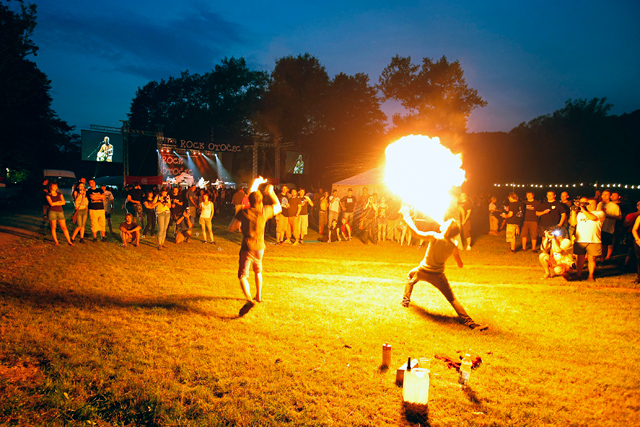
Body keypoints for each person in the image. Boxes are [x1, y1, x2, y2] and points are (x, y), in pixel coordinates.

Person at [400, 208, 487, 331]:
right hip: (438, 275)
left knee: (411, 277)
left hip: (423, 271)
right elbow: (459, 262)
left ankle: (405, 300)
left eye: (446, 223)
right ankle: (470, 323)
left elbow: (416, 233)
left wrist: (407, 218)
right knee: (452, 299)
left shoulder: (434, 236)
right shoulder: (453, 244)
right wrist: (459, 262)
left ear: (445, 228)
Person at [229, 181, 282, 309]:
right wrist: (271, 193)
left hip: (247, 246)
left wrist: (240, 224)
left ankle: (249, 299)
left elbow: (231, 227)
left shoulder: (244, 212)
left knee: (242, 275)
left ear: (249, 200)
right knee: (258, 271)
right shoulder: (264, 211)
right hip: (260, 247)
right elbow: (279, 207)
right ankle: (258, 296)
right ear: (261, 201)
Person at [570, 197, 605, 282]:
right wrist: (574, 212)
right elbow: (573, 223)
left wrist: (583, 209)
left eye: (592, 203)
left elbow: (593, 218)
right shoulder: (580, 214)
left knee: (591, 258)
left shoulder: (600, 213)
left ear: (596, 204)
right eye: (587, 204)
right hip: (580, 239)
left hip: (593, 240)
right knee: (579, 259)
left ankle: (591, 275)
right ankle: (579, 274)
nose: (589, 205)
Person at [597, 189, 622, 262]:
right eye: (603, 194)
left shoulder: (614, 206)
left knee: (605, 244)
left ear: (610, 196)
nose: (604, 196)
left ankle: (602, 259)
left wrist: (607, 216)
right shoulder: (599, 204)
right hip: (598, 227)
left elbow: (619, 217)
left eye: (606, 195)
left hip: (608, 228)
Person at [631, 214, 640, 284]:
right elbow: (634, 230)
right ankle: (639, 277)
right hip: (639, 241)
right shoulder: (639, 217)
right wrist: (637, 239)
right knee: (639, 259)